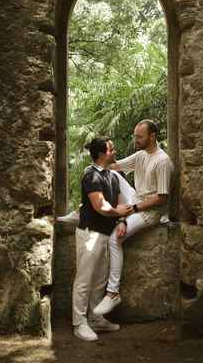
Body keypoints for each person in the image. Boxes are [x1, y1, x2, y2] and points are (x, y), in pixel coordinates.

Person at [92, 119, 174, 316]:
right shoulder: (141, 155)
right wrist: (107, 156)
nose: (135, 139)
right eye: (135, 136)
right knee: (108, 174)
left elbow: (162, 198)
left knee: (114, 238)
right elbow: (114, 168)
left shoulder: (162, 161)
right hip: (135, 199)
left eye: (139, 136)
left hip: (150, 211)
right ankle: (82, 212)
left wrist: (132, 210)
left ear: (152, 136)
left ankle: (112, 293)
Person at [72, 136, 133, 341]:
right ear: (100, 154)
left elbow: (121, 205)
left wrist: (123, 220)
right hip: (90, 234)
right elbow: (101, 207)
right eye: (111, 149)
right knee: (84, 280)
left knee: (99, 281)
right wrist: (118, 212)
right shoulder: (91, 176)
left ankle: (96, 319)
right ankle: (79, 323)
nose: (114, 152)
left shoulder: (113, 176)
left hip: (106, 234)